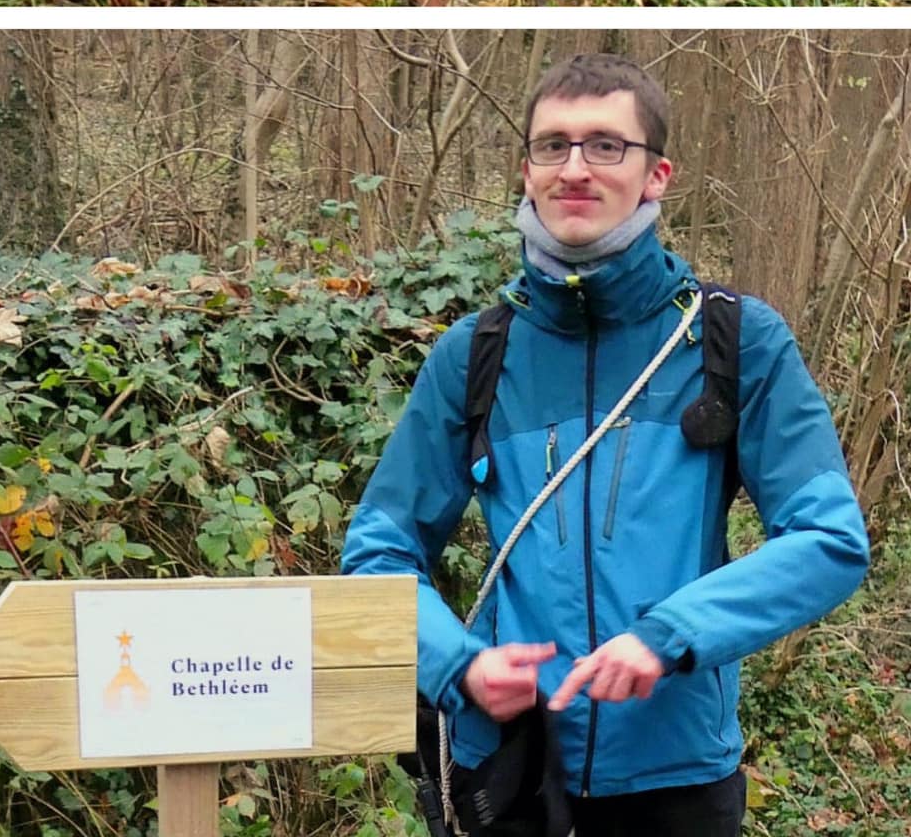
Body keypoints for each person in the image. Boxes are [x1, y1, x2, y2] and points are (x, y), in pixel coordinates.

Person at [340, 52, 870, 836]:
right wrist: (457, 667)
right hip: (513, 771)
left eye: (606, 146)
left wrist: (670, 635)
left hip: (678, 777)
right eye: (553, 146)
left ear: (657, 175)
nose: (575, 169)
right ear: (527, 171)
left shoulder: (732, 339)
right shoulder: (475, 354)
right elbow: (379, 551)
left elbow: (830, 540)